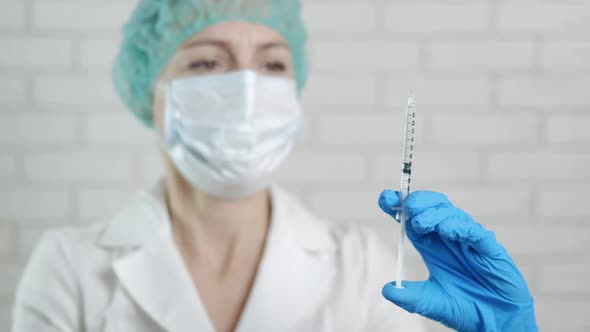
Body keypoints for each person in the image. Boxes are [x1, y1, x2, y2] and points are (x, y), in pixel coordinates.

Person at [11, 1, 538, 331]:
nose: (246, 88)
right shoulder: (68, 269)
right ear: (151, 91)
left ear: (295, 88)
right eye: (207, 61)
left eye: (272, 64)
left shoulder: (364, 270)